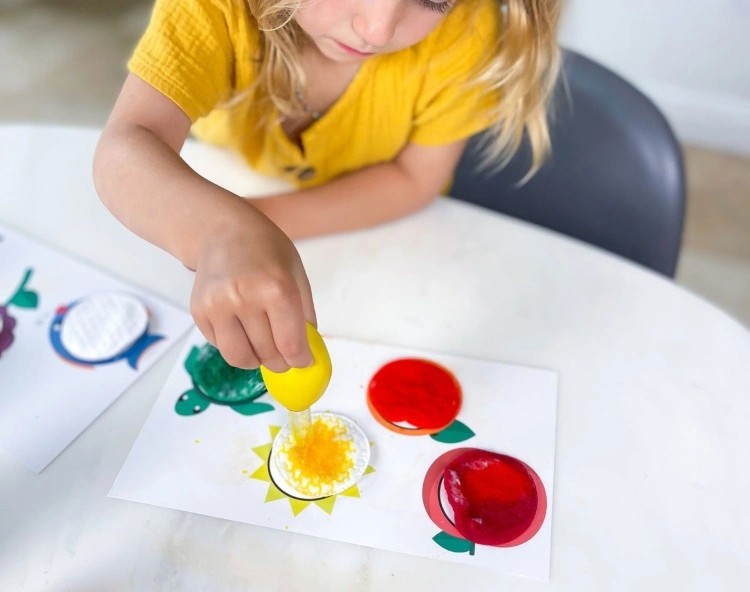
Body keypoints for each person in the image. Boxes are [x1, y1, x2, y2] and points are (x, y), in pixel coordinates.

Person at [93, 0, 561, 373]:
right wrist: (220, 231)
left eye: (433, 0)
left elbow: (415, 179)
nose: (377, 29)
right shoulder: (215, 7)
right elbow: (125, 149)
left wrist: (257, 225)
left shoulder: (466, 30)